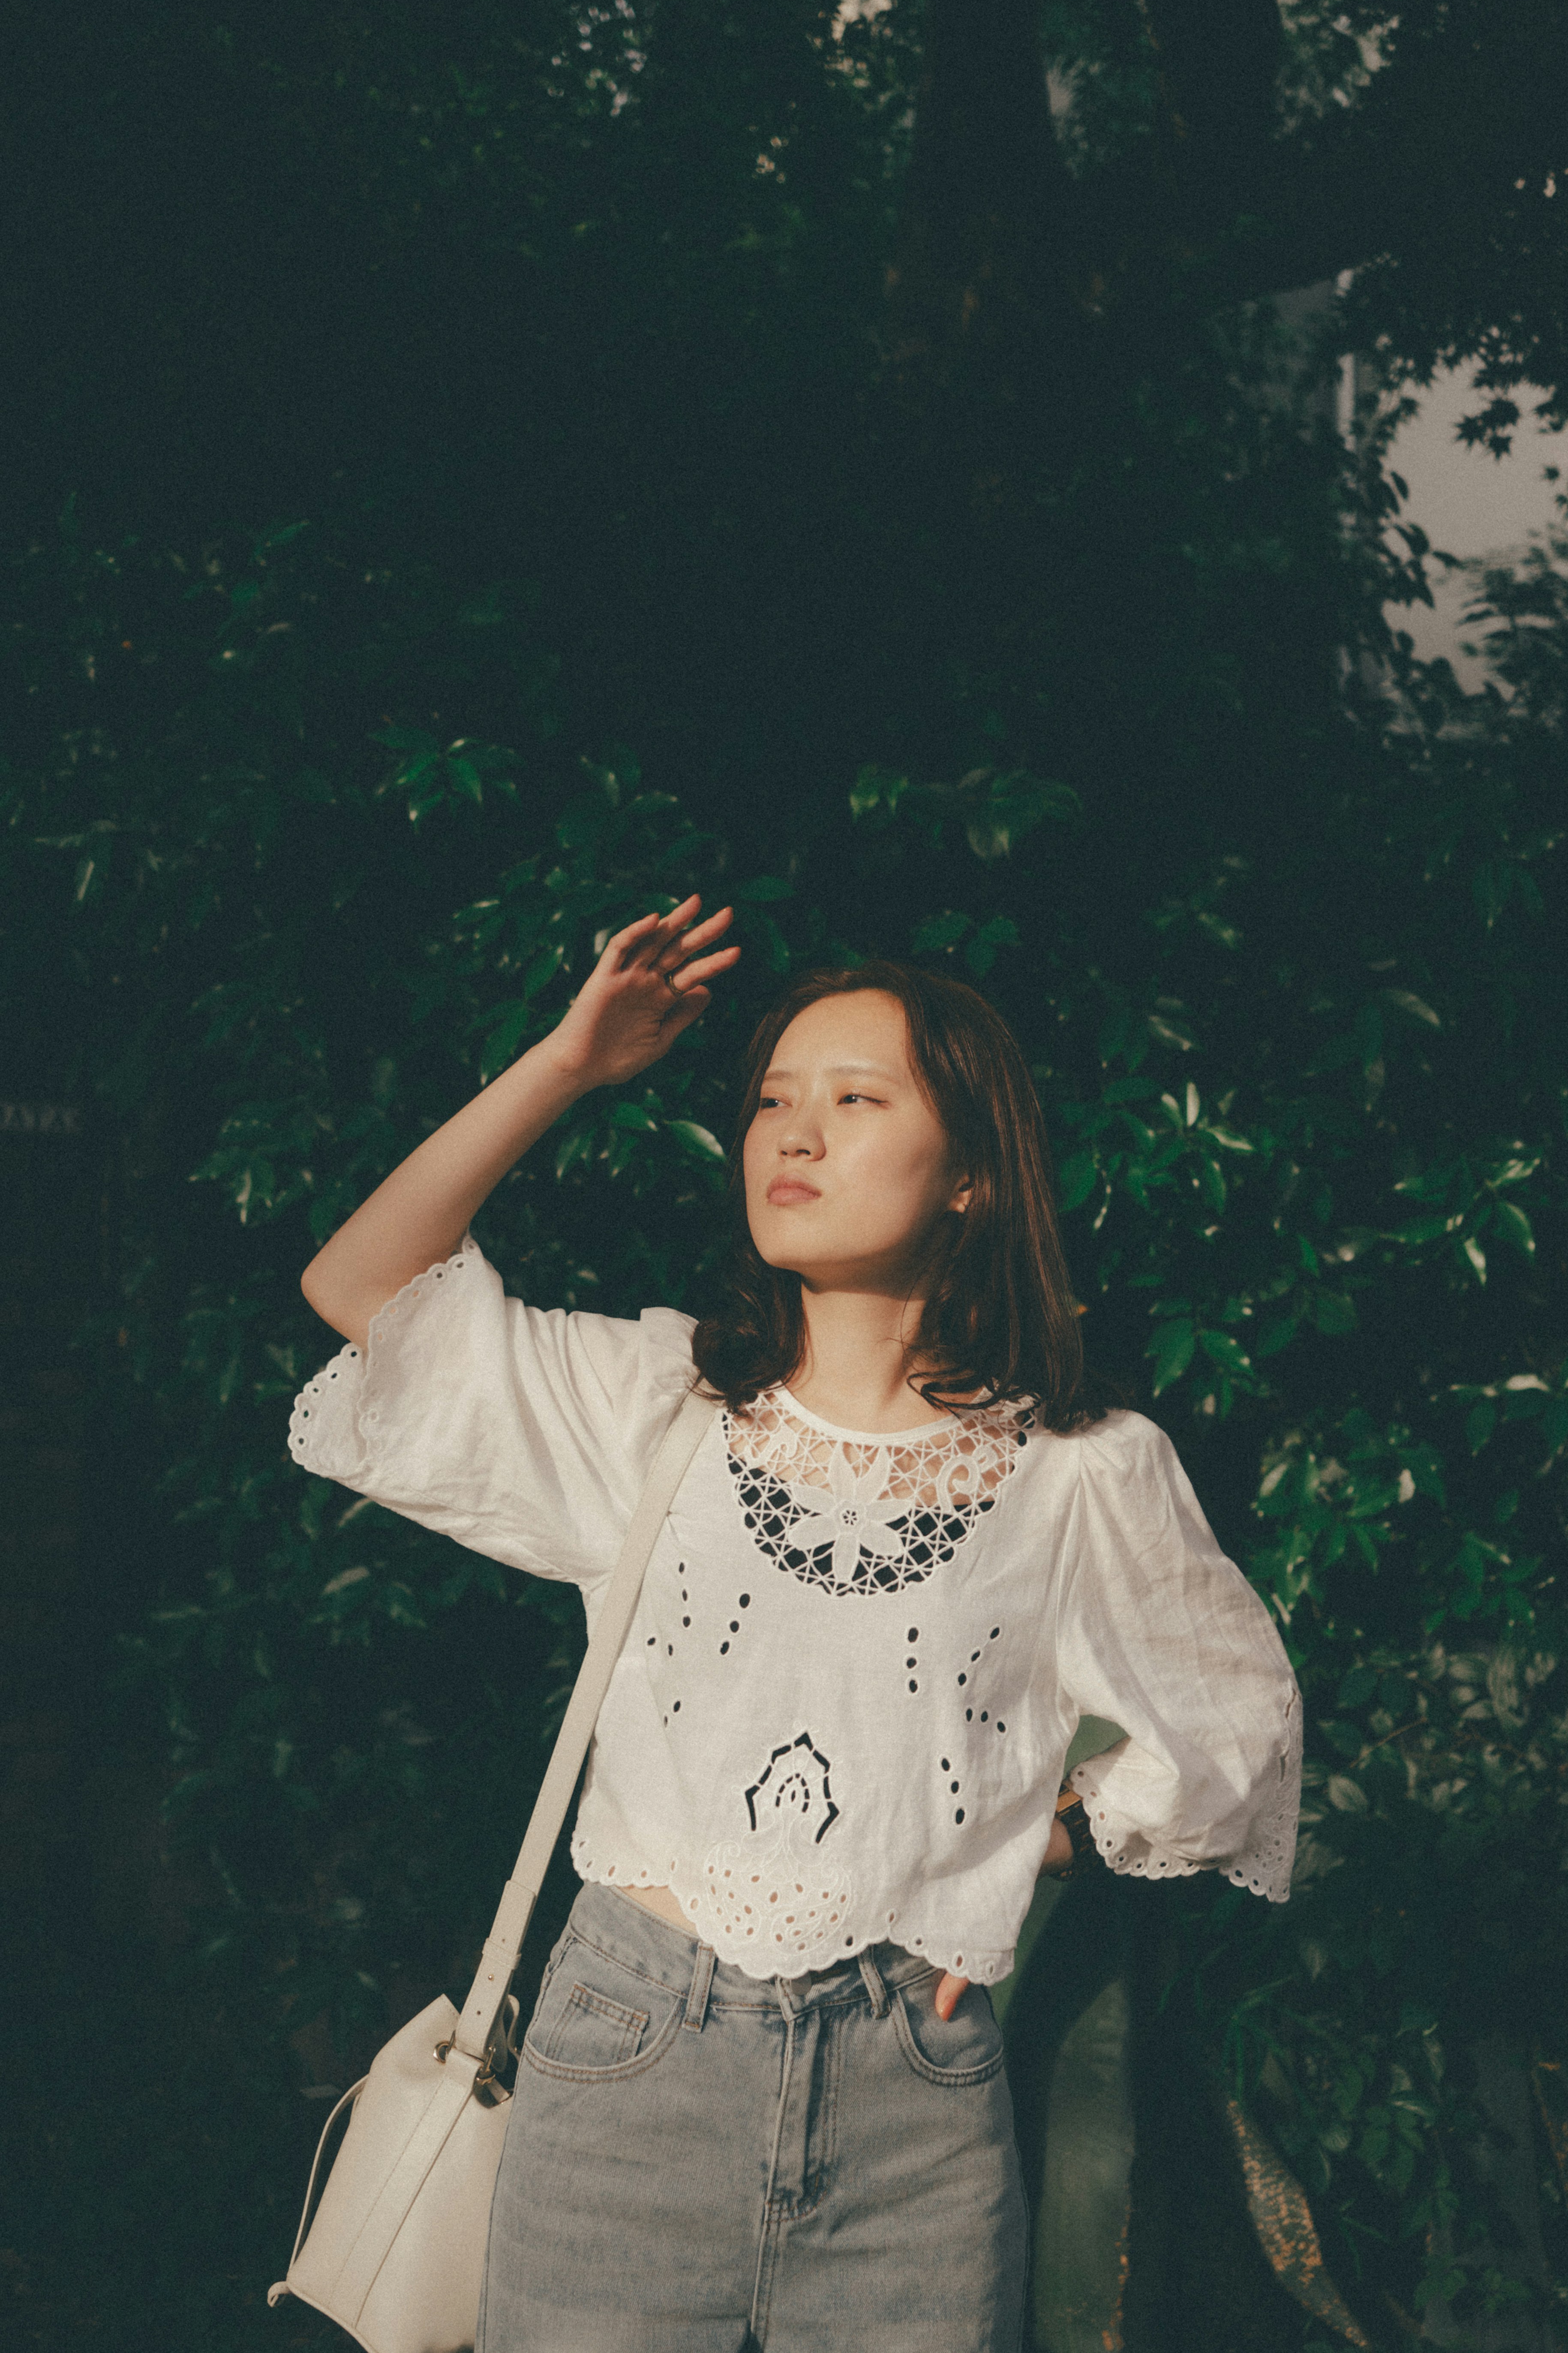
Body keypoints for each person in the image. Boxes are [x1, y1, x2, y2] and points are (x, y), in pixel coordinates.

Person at [289, 895, 1301, 2353]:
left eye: (854, 1098)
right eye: (771, 1100)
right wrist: (567, 1063)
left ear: (970, 1175)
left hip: (917, 2096)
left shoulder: (1082, 1471)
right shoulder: (655, 1410)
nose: (794, 1134)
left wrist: (1043, 1836)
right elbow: (361, 1287)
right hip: (627, 2062)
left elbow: (1236, 1722)